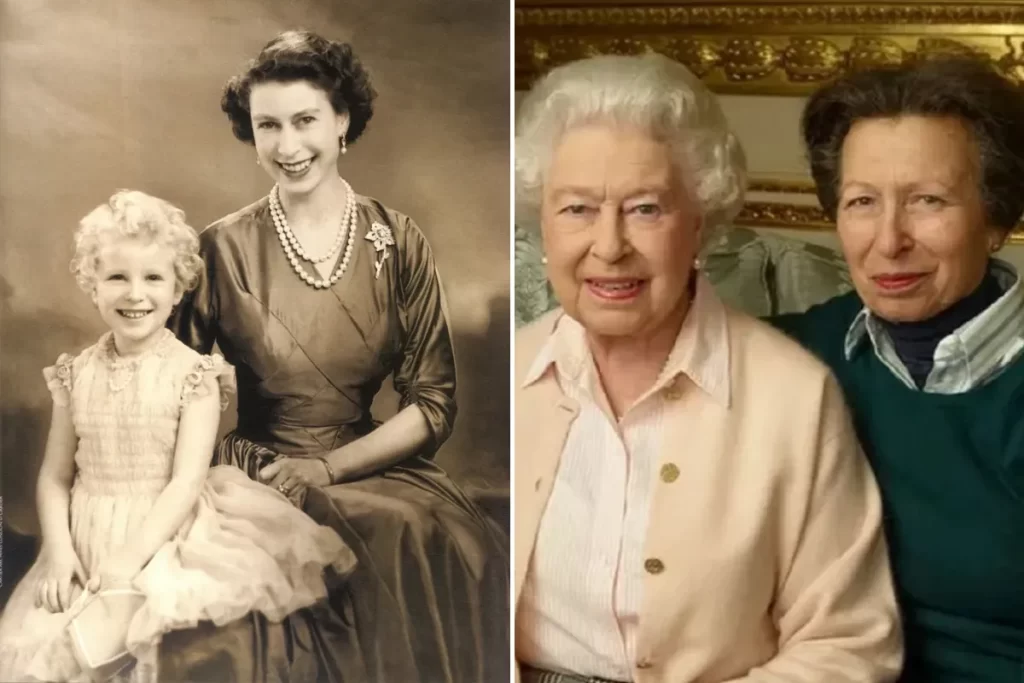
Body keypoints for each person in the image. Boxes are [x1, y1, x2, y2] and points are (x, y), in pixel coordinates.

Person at [513, 54, 903, 683]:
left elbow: (848, 645)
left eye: (645, 209)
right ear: (542, 226)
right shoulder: (505, 377)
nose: (609, 247)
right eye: (577, 209)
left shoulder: (794, 398)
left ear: (700, 223)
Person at [163, 29, 509, 682]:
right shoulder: (220, 250)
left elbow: (434, 403)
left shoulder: (397, 238)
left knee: (435, 537)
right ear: (251, 131)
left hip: (363, 460)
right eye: (269, 125)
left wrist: (328, 467)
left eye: (305, 121)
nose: (288, 147)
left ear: (343, 118)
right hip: (258, 471)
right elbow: (168, 384)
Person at [0, 190, 354, 682]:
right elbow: (55, 476)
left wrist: (130, 560)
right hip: (84, 536)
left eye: (153, 278)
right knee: (58, 656)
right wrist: (60, 553)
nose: (134, 294)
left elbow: (186, 482)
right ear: (92, 284)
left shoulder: (195, 376)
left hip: (165, 533)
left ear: (177, 287)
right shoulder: (75, 374)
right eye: (117, 277)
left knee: (160, 655)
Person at [773, 57, 1024, 681]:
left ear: (997, 219)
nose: (888, 240)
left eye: (927, 201)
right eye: (862, 202)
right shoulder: (792, 355)